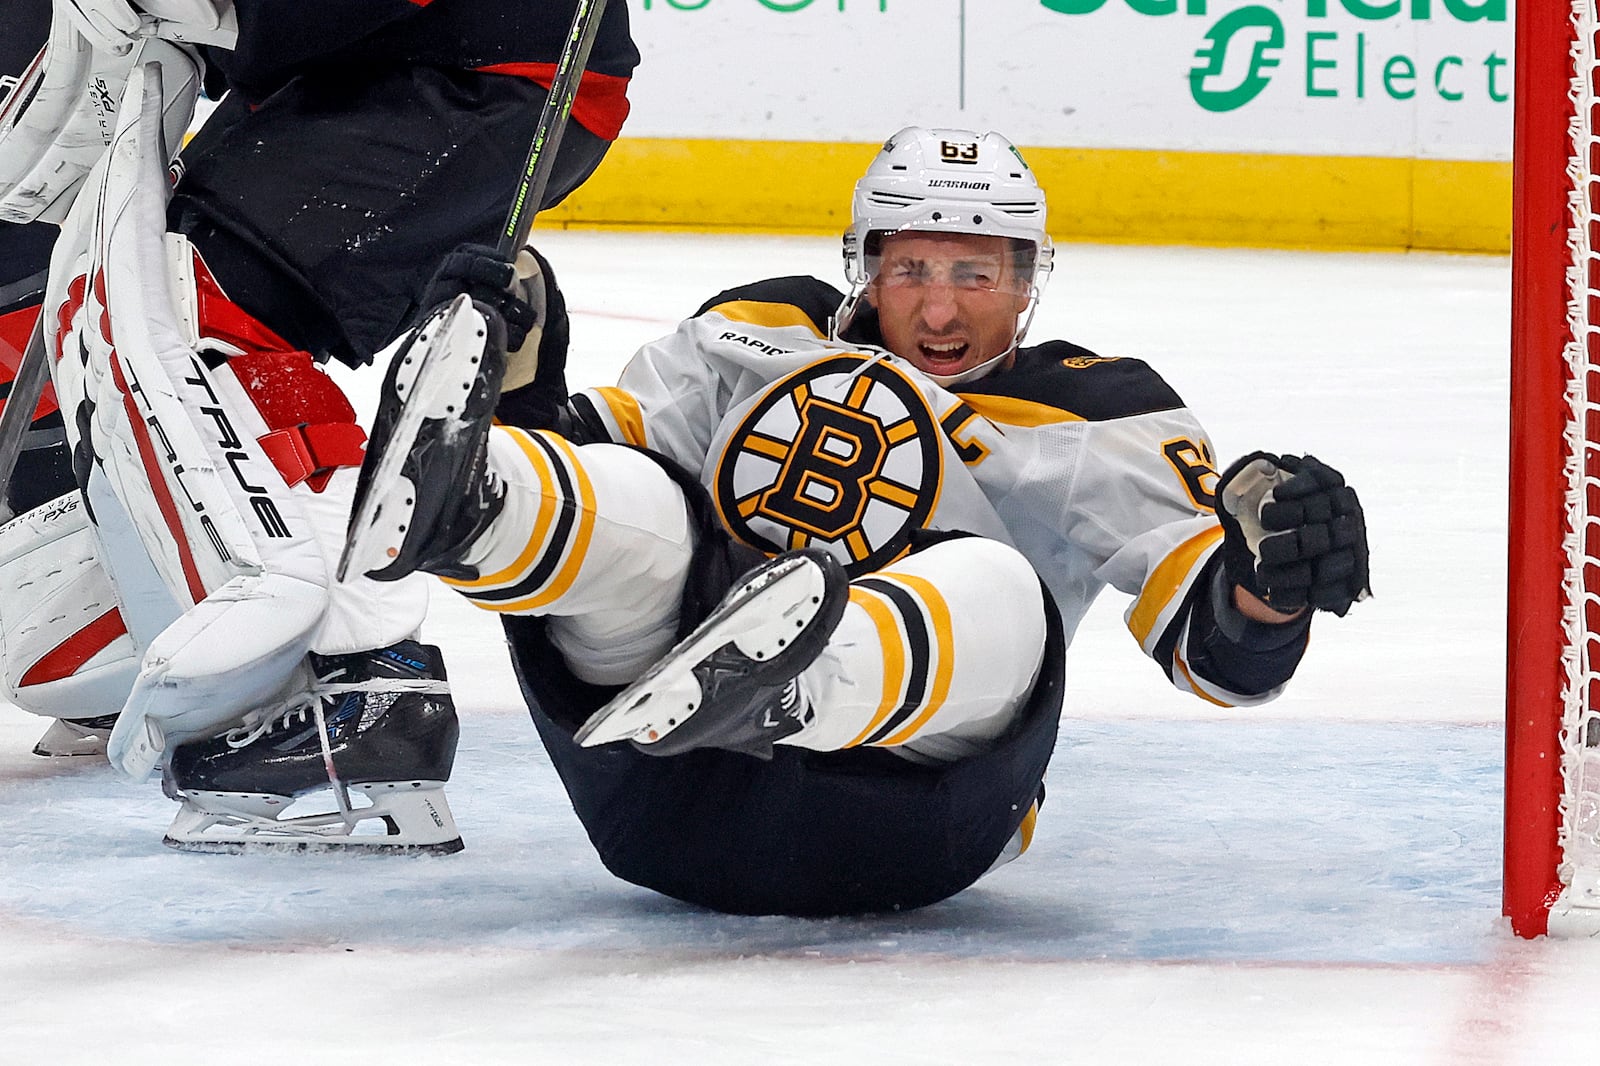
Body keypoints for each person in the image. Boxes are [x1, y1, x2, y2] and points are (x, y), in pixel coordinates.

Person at [336, 125, 1373, 915]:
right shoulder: (751, 328)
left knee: (998, 588)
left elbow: (1223, 659)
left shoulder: (1097, 413)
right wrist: (522, 400)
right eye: (911, 268)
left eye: (977, 274)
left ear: (1026, 282)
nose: (937, 309)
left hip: (904, 824)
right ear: (864, 265)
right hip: (652, 787)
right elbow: (606, 455)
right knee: (648, 505)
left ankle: (787, 688)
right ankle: (480, 507)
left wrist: (1266, 585)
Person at [0, 0, 638, 848]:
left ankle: (360, 687)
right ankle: (171, 629)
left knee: (191, 313)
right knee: (115, 284)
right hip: (358, 67)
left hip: (477, 73)